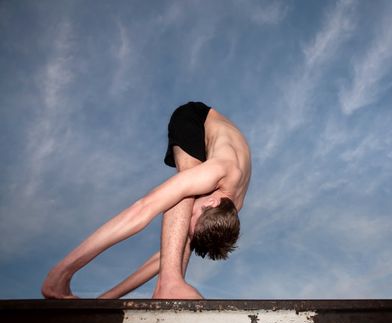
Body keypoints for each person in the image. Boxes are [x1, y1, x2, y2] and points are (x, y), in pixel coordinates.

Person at [41, 101, 251, 299]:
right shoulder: (218, 172)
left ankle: (168, 285)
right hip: (197, 118)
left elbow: (167, 254)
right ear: (212, 203)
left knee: (176, 243)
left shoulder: (229, 208)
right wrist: (65, 271)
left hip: (221, 144)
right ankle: (58, 274)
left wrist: (104, 301)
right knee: (183, 193)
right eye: (192, 218)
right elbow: (143, 208)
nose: (186, 220)